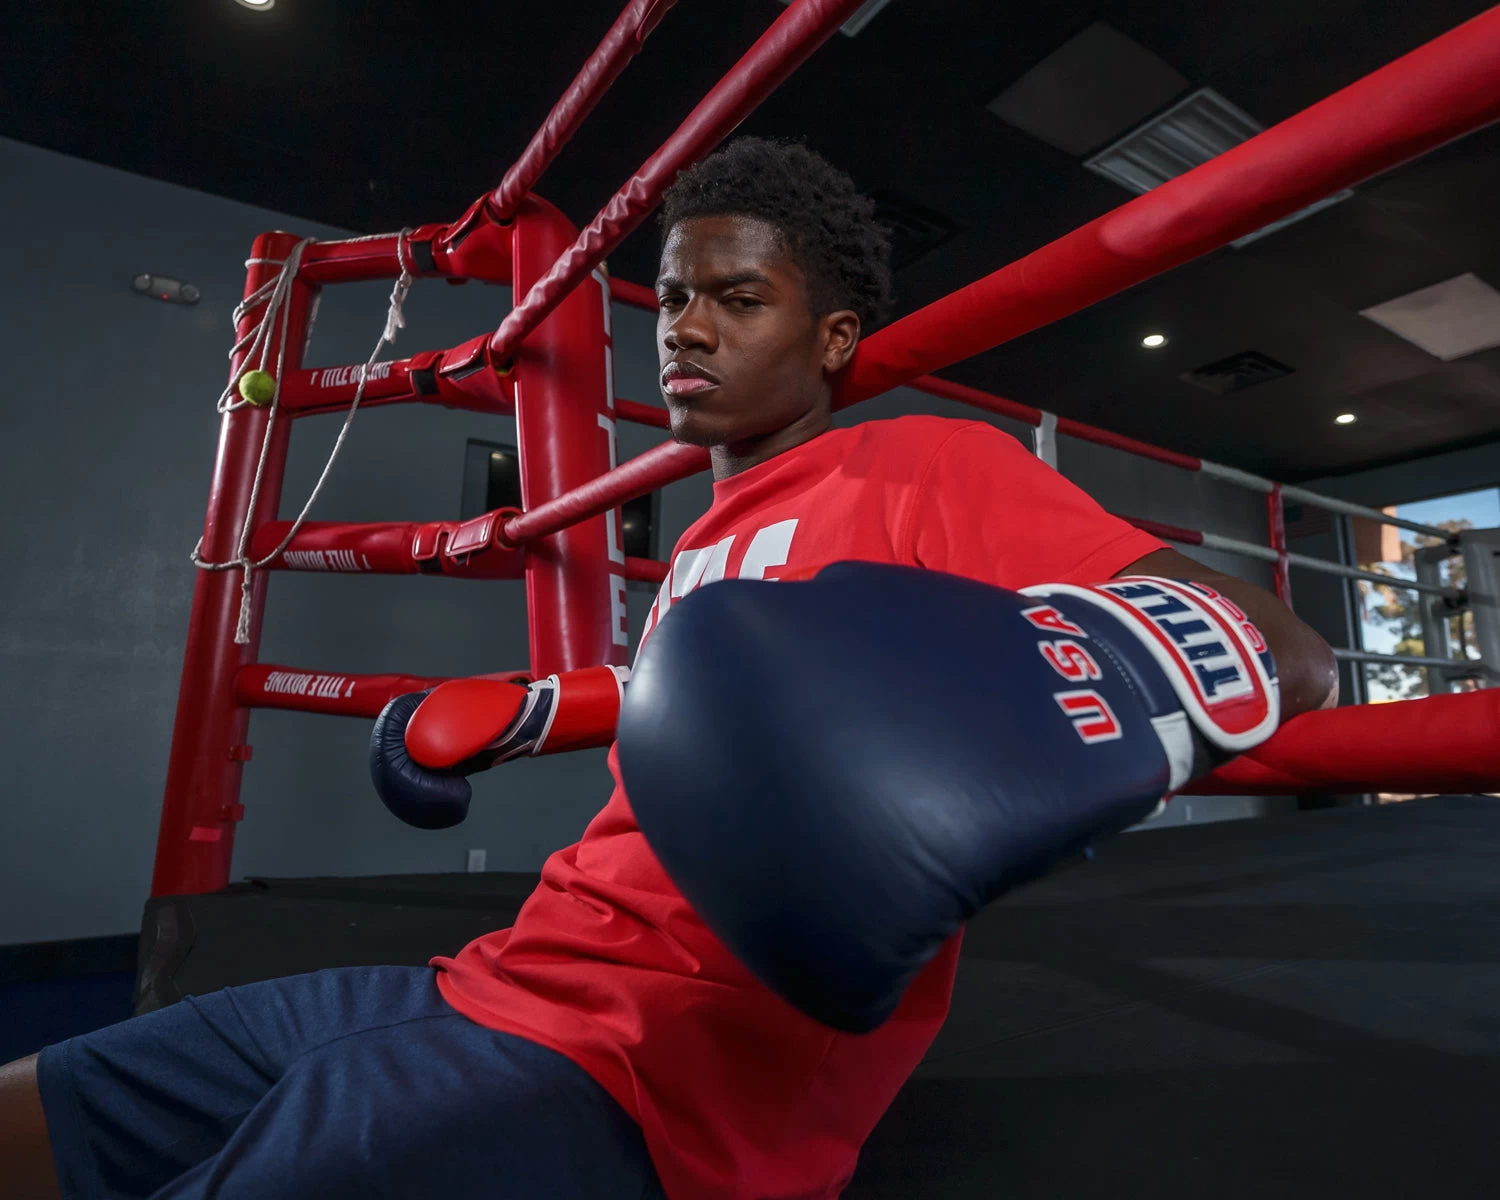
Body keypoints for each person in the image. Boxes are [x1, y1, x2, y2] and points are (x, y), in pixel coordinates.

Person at [0, 137, 1337, 1200]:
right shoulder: (702, 536)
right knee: (38, 1111)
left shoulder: (922, 464)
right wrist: (533, 709)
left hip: (658, 1082)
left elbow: (1279, 643)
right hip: (493, 978)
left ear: (831, 336)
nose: (687, 327)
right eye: (679, 295)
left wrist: (1091, 677)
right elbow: (716, 710)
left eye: (740, 300)